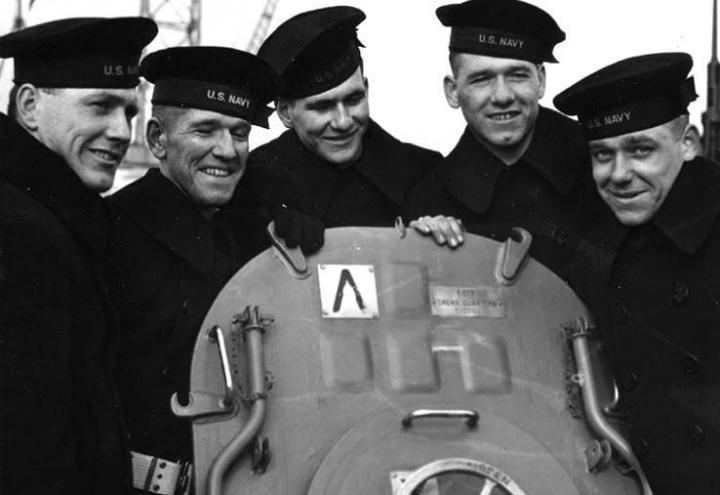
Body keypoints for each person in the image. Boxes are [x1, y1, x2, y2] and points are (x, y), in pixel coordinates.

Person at [104, 46, 322, 495]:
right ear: (158, 139)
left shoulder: (264, 231)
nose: (226, 151)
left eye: (239, 133)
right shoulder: (109, 233)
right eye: (205, 130)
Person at [0, 17, 157, 495]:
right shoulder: (18, 229)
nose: (121, 132)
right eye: (100, 106)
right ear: (29, 105)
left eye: (129, 113)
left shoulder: (56, 216)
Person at [554, 52, 718, 494]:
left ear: (688, 142)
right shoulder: (593, 255)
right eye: (602, 155)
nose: (619, 175)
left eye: (641, 150)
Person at [408, 0, 603, 281]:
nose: (502, 96)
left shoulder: (603, 160)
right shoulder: (430, 198)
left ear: (541, 81)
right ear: (453, 91)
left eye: (517, 75)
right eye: (481, 79)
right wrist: (423, 244)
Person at [248, 6, 442, 227]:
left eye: (353, 99)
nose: (344, 121)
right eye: (322, 106)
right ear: (285, 113)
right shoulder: (254, 184)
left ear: (366, 90)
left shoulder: (424, 173)